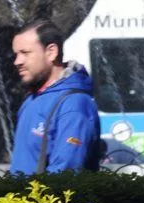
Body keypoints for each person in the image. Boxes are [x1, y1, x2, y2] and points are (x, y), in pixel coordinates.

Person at [9, 19, 101, 174]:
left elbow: (65, 174)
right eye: (16, 54)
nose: (17, 61)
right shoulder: (31, 100)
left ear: (51, 52)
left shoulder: (75, 104)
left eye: (25, 53)